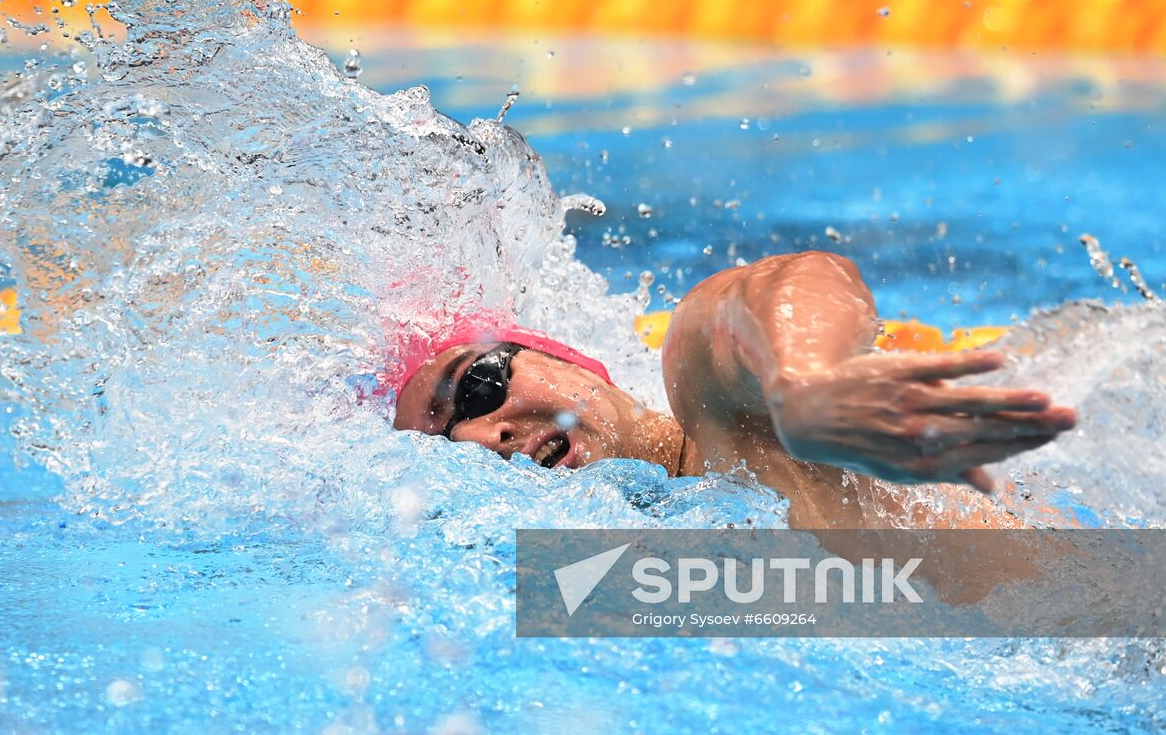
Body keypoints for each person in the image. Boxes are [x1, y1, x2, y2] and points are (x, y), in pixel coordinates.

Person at [392, 251, 1078, 528]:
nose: (487, 438)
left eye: (477, 390)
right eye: (451, 450)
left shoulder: (714, 411)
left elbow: (784, 285)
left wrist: (803, 384)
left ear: (569, 362)